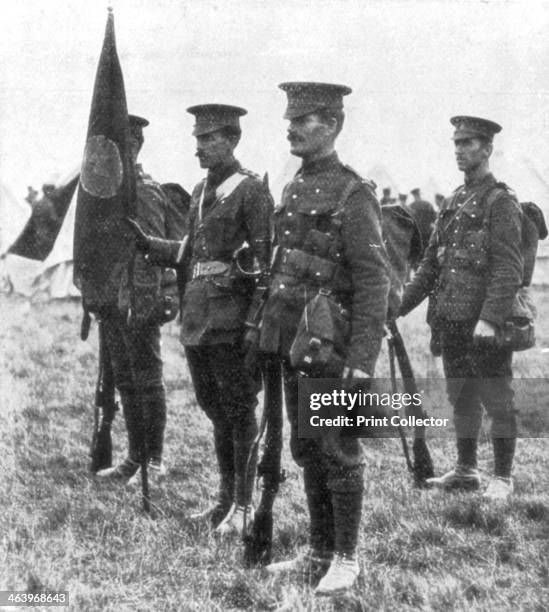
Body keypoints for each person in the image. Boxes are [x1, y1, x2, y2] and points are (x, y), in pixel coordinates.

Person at [259, 82, 390, 594]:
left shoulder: (354, 193)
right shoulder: (293, 186)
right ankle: (317, 550)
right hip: (296, 340)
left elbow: (373, 279)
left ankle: (347, 557)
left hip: (334, 346)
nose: (291, 127)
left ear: (332, 125)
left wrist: (362, 358)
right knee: (309, 446)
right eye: (290, 118)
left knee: (339, 449)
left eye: (304, 119)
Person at [130, 104, 273, 534]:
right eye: (196, 139)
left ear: (231, 140)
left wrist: (254, 324)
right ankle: (225, 500)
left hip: (232, 321)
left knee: (239, 410)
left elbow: (266, 265)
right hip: (198, 320)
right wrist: (147, 244)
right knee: (215, 409)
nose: (198, 148)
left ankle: (245, 507)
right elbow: (188, 253)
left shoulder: (250, 191)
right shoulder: (198, 192)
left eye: (207, 139)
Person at [399, 116, 523, 500]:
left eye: (468, 143)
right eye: (456, 143)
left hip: (482, 324)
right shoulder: (453, 200)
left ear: (487, 149)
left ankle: (502, 477)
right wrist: (397, 308)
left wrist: (489, 319)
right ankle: (466, 471)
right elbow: (431, 266)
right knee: (462, 397)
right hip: (450, 319)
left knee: (497, 399)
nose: (459, 149)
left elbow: (509, 268)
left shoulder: (500, 201)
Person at [96, 114, 187, 485]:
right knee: (125, 379)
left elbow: (150, 251)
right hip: (113, 299)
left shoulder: (144, 189)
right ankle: (135, 457)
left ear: (133, 147)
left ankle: (155, 460)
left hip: (138, 299)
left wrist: (142, 305)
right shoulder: (108, 191)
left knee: (147, 379)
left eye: (118, 146)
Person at [407, 187, 437, 264]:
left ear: (413, 195)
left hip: (416, 233)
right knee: (427, 251)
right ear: (419, 194)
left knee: (417, 252)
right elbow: (434, 218)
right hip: (427, 232)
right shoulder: (428, 204)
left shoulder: (411, 206)